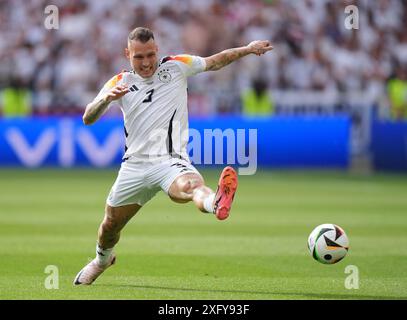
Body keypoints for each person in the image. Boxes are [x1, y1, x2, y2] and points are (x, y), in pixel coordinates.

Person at [73, 27, 273, 285]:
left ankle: (216, 202)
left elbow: (216, 60)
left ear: (157, 50)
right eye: (139, 57)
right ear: (127, 54)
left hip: (170, 160)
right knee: (110, 225)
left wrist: (248, 49)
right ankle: (102, 261)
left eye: (150, 55)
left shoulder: (177, 66)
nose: (146, 63)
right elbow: (88, 117)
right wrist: (104, 101)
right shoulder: (119, 82)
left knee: (191, 186)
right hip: (134, 166)